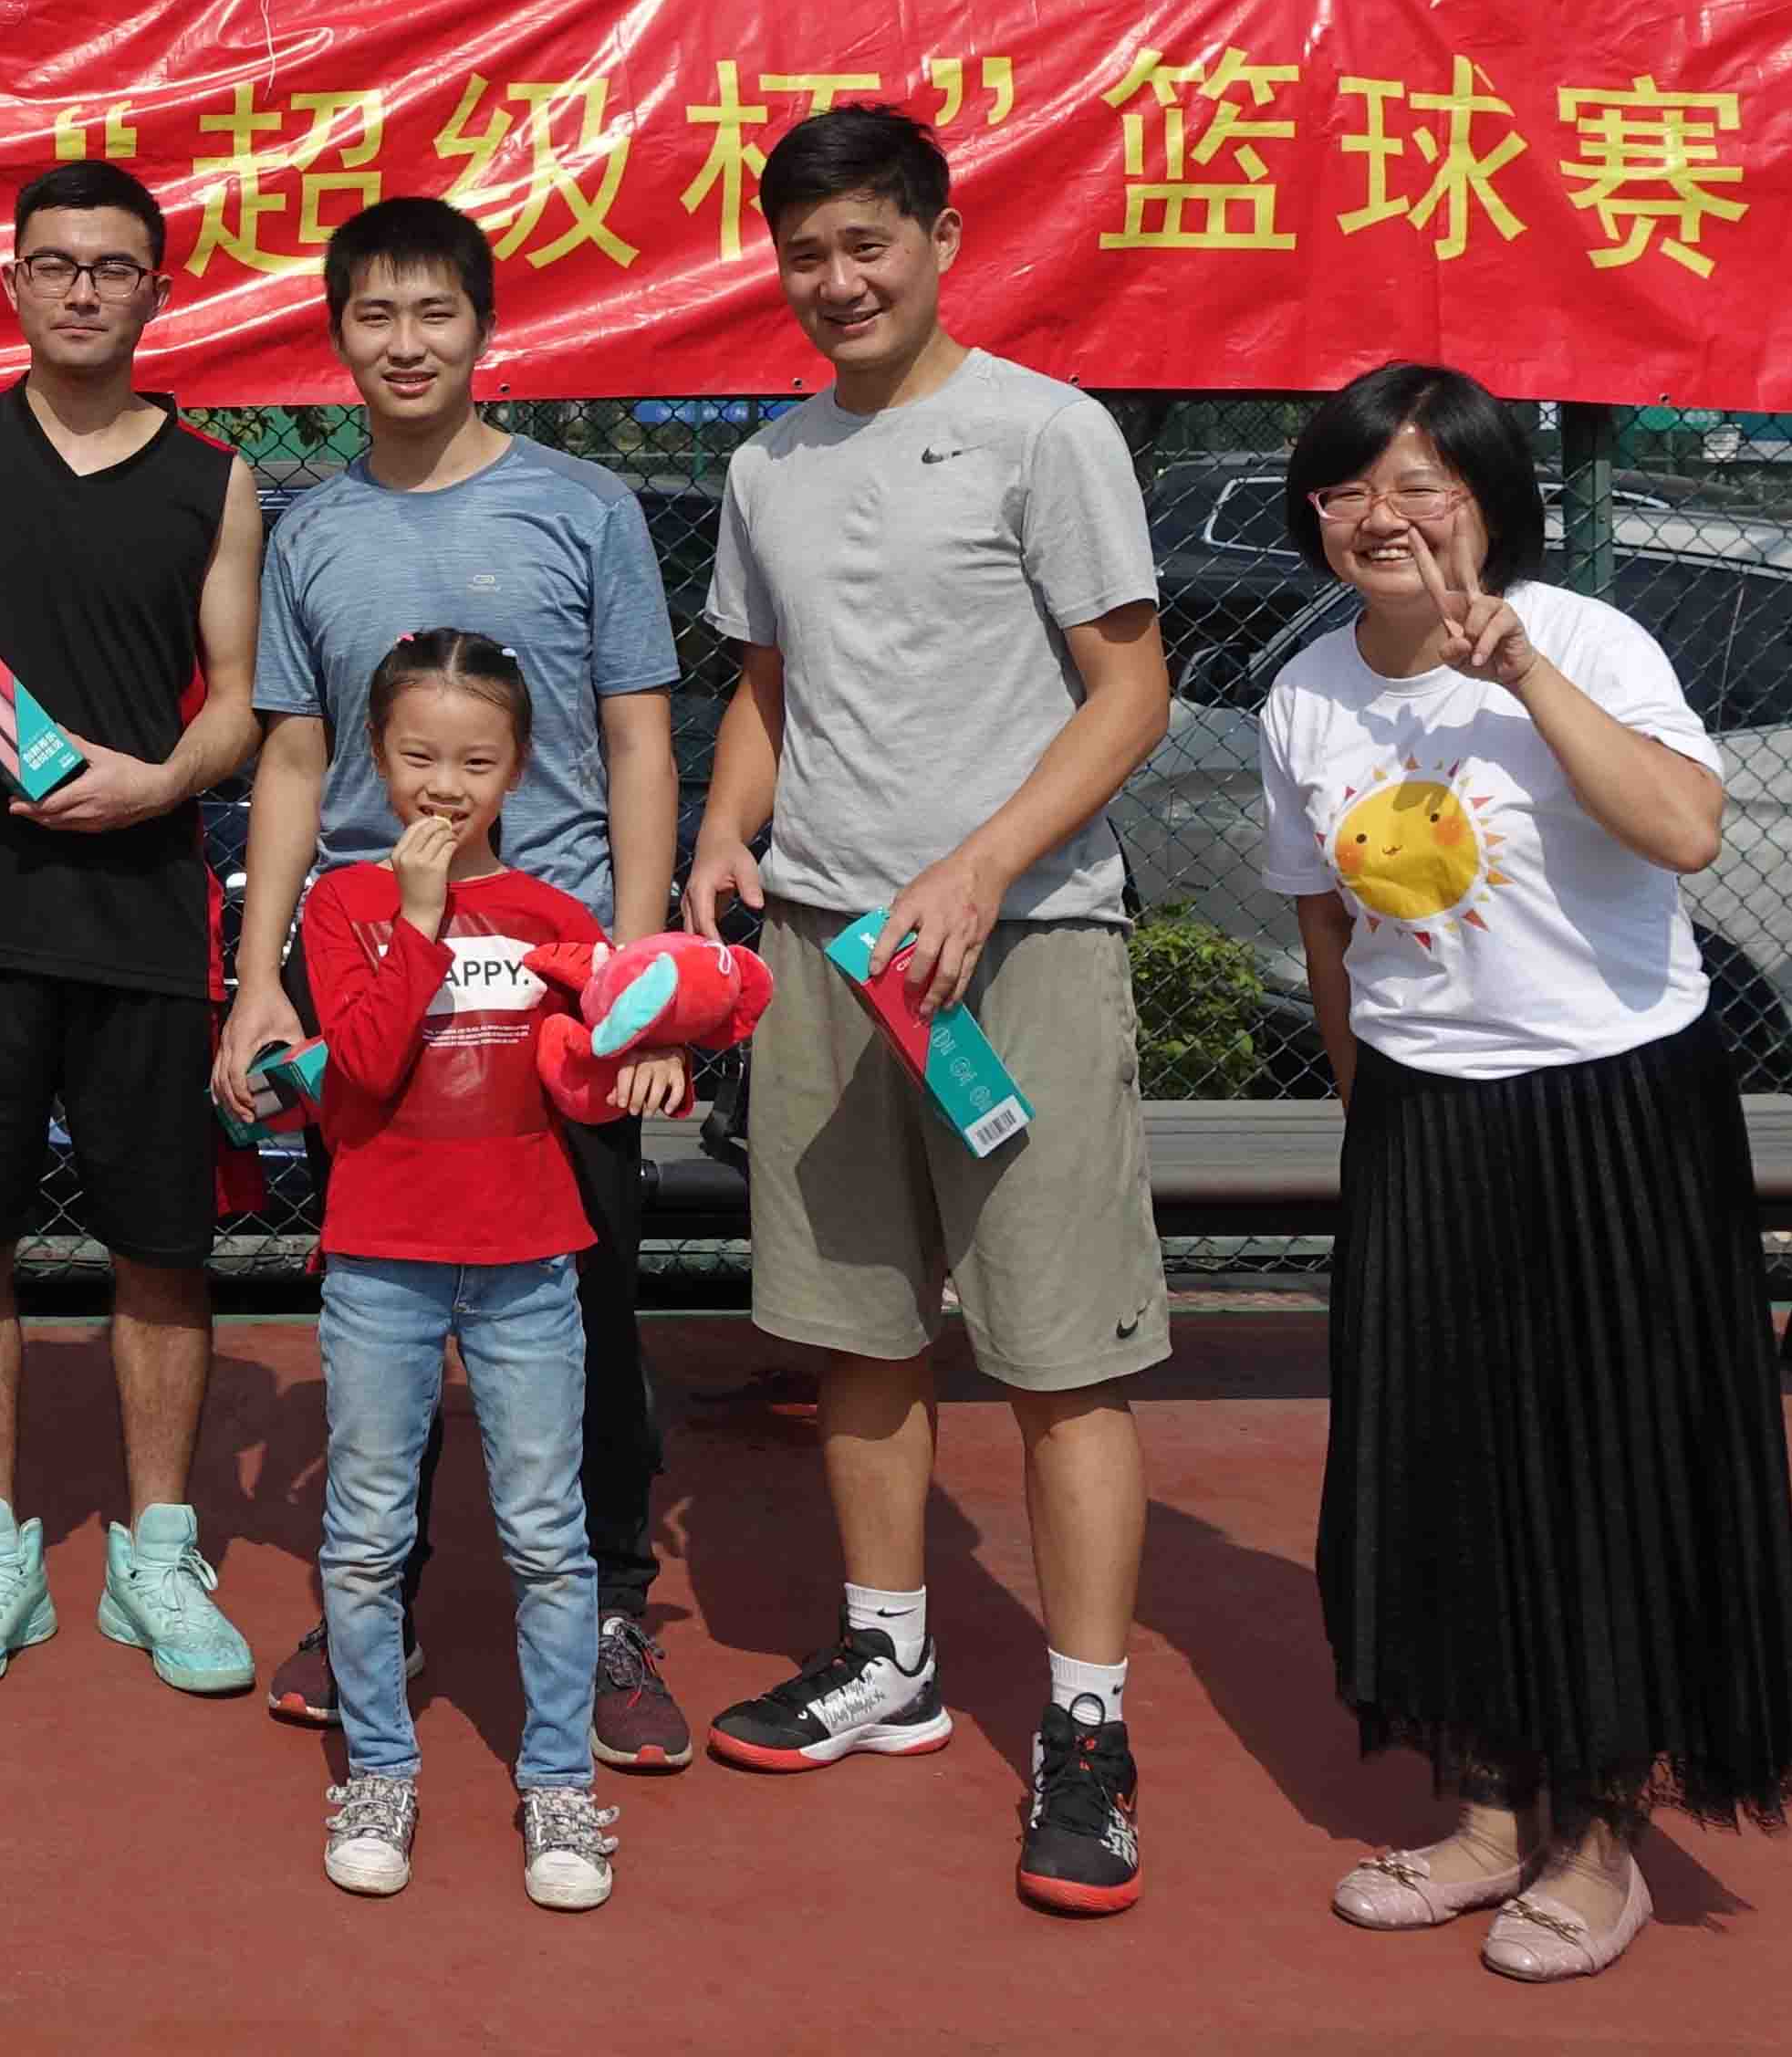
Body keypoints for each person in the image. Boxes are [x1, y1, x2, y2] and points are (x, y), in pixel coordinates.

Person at [1264, 364, 1792, 1987]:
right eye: (1349, 490)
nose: (1382, 518)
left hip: (1617, 1107)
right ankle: (1491, 1809)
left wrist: (1519, 672)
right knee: (1440, 1461)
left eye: (1419, 486)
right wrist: (1374, 1114)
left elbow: (1686, 830)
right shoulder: (1305, 694)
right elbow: (1327, 931)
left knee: (1607, 1464)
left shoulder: (1586, 641)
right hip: (1426, 1119)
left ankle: (1600, 1837)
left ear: (1488, 502)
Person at [682, 104, 1174, 1917]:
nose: (838, 281)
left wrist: (978, 867)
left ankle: (1089, 1724)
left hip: (1016, 948)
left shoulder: (1047, 432)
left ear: (942, 240)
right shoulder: (769, 466)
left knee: (1059, 1355)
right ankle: (886, 1655)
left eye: (867, 243)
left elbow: (1129, 694)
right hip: (827, 957)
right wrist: (723, 837)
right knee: (856, 1330)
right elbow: (767, 692)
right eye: (805, 252)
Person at [218, 194, 690, 1764]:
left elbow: (637, 739)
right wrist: (262, 975)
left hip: (552, 984)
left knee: (589, 1305)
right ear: (337, 335)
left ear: (485, 328)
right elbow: (293, 758)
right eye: (375, 315)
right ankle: (383, 1600)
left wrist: (631, 971)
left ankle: (611, 1610)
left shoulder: (585, 508)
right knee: (386, 1306)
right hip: (376, 971)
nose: (405, 343)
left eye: (435, 312)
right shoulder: (311, 531)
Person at [0, 155, 267, 1698]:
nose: (82, 289)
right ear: (14, 283)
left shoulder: (214, 478)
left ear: (157, 289)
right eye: (55, 264)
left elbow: (236, 703)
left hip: (144, 911)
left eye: (112, 266)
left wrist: (160, 778)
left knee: (161, 1246)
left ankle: (156, 1550)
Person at [290, 629, 656, 1911]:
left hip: (528, 1261)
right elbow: (364, 1064)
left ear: (521, 767)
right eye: (419, 756)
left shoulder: (557, 917)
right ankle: (380, 1770)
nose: (445, 786)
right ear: (375, 754)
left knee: (549, 1537)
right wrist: (418, 918)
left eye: (477, 762)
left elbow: (585, 1075)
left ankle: (558, 1782)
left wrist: (642, 1061)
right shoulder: (341, 904)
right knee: (366, 1534)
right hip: (381, 1264)